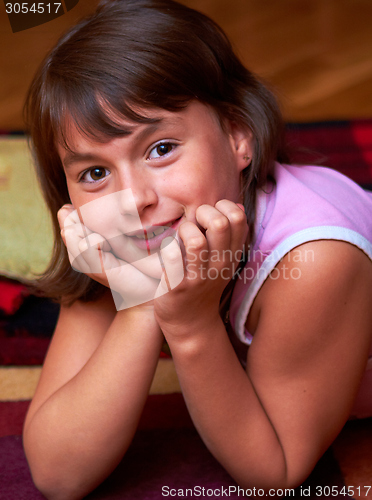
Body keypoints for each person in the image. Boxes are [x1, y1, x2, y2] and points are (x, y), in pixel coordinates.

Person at [22, 0, 372, 498]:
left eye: (160, 148)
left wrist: (189, 326)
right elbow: (58, 474)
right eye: (95, 173)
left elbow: (277, 472)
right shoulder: (117, 235)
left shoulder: (314, 259)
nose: (134, 199)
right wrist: (142, 297)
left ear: (237, 136)